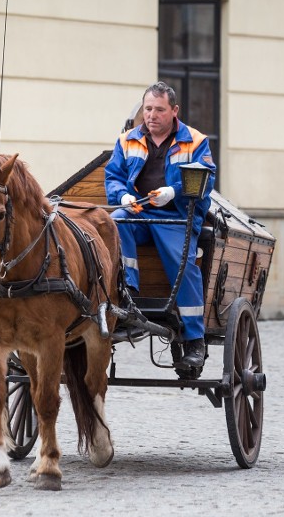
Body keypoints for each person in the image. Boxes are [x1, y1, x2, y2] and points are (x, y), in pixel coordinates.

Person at [105, 81, 216, 368]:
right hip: (138, 212)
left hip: (177, 217)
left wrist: (173, 191)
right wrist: (124, 196)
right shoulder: (127, 139)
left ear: (174, 111)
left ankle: (194, 340)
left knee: (184, 265)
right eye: (148, 109)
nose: (152, 115)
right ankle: (127, 291)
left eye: (159, 110)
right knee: (115, 222)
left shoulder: (195, 140)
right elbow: (113, 176)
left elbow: (206, 179)